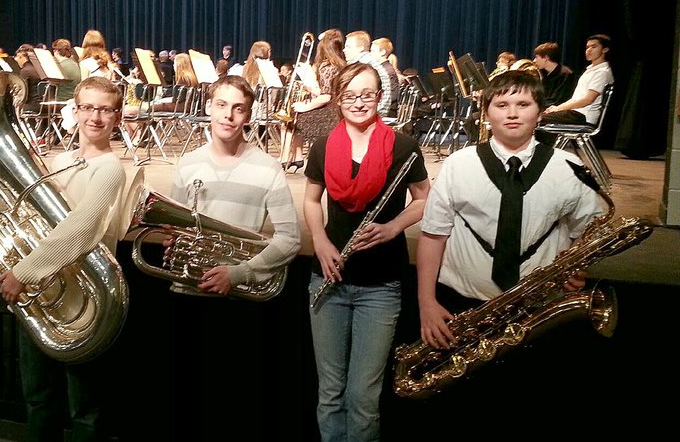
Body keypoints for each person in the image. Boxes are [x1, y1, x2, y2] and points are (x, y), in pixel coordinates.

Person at [0, 76, 128, 441]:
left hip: (82, 305)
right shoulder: (62, 160)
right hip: (41, 298)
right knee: (39, 399)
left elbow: (81, 229)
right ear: (75, 110)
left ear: (117, 116)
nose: (95, 118)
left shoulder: (111, 168)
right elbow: (30, 222)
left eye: (104, 110)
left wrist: (23, 270)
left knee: (83, 409)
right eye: (87, 107)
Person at [416, 70, 602, 352]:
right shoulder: (458, 164)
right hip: (462, 305)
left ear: (540, 113)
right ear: (486, 115)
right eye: (501, 105)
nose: (512, 114)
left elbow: (585, 231)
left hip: (540, 307)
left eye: (524, 105)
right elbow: (433, 236)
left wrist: (578, 267)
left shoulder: (569, 167)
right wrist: (426, 303)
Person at [167, 74, 301, 439]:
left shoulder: (267, 168)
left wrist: (239, 273)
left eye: (238, 108)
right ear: (209, 108)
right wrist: (173, 240)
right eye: (222, 105)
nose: (228, 115)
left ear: (248, 115)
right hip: (187, 294)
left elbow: (290, 239)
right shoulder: (188, 164)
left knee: (234, 406)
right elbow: (177, 225)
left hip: (237, 298)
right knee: (185, 402)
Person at [303, 62, 430, 442]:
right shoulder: (325, 144)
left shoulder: (404, 147)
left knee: (362, 395)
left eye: (368, 94)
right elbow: (311, 200)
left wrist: (393, 227)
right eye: (350, 95)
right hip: (328, 276)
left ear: (380, 95)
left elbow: (424, 199)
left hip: (381, 286)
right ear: (338, 99)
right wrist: (321, 242)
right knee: (330, 393)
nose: (359, 102)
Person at [278, 28, 347, 171]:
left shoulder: (327, 67)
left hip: (330, 114)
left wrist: (304, 106)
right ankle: (297, 157)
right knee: (295, 114)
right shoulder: (341, 64)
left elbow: (326, 97)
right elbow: (326, 93)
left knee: (289, 119)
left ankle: (286, 158)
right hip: (336, 109)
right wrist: (310, 87)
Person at [541, 34, 613, 126]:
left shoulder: (602, 72)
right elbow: (575, 99)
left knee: (536, 119)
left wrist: (559, 109)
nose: (589, 50)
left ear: (605, 50)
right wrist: (557, 108)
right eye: (587, 47)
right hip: (575, 113)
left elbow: (588, 100)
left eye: (593, 47)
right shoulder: (590, 70)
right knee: (537, 116)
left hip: (583, 116)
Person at [343, 30, 397, 117]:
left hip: (373, 114)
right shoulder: (368, 62)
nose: (344, 50)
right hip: (375, 111)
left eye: (348, 47)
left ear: (360, 48)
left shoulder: (364, 65)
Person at [532, 42, 575, 106]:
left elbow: (557, 100)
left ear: (546, 58)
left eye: (536, 57)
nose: (534, 61)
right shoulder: (543, 73)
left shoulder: (565, 74)